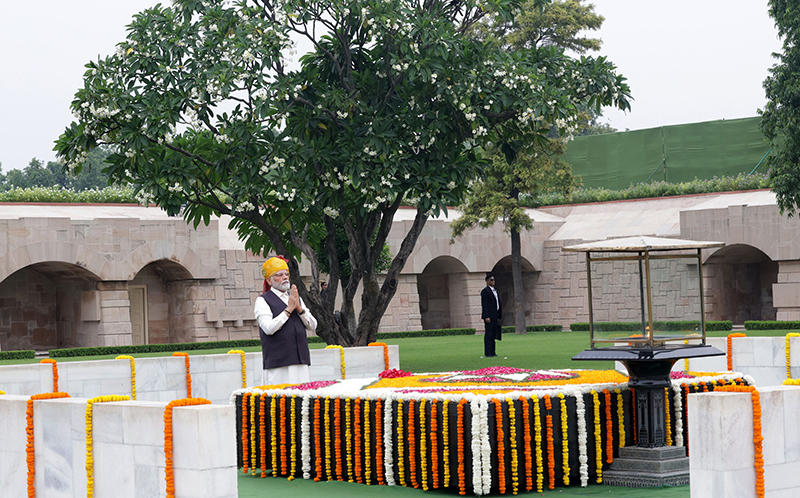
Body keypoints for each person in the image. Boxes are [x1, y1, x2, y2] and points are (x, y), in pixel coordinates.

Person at [254, 256, 318, 385]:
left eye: (286, 274)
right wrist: (289, 309)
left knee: (301, 400)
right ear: (269, 281)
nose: (285, 277)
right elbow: (268, 328)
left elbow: (313, 325)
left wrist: (299, 308)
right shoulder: (263, 300)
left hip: (300, 361)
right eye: (279, 275)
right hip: (279, 364)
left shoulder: (295, 298)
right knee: (280, 402)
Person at [480, 273, 502, 357]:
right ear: (487, 281)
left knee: (494, 334)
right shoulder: (485, 291)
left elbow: (497, 303)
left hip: (495, 315)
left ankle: (493, 351)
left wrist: (498, 315)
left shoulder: (495, 291)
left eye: (494, 280)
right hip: (489, 316)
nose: (493, 281)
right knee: (488, 334)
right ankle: (488, 352)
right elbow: (484, 305)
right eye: (491, 280)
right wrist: (486, 316)